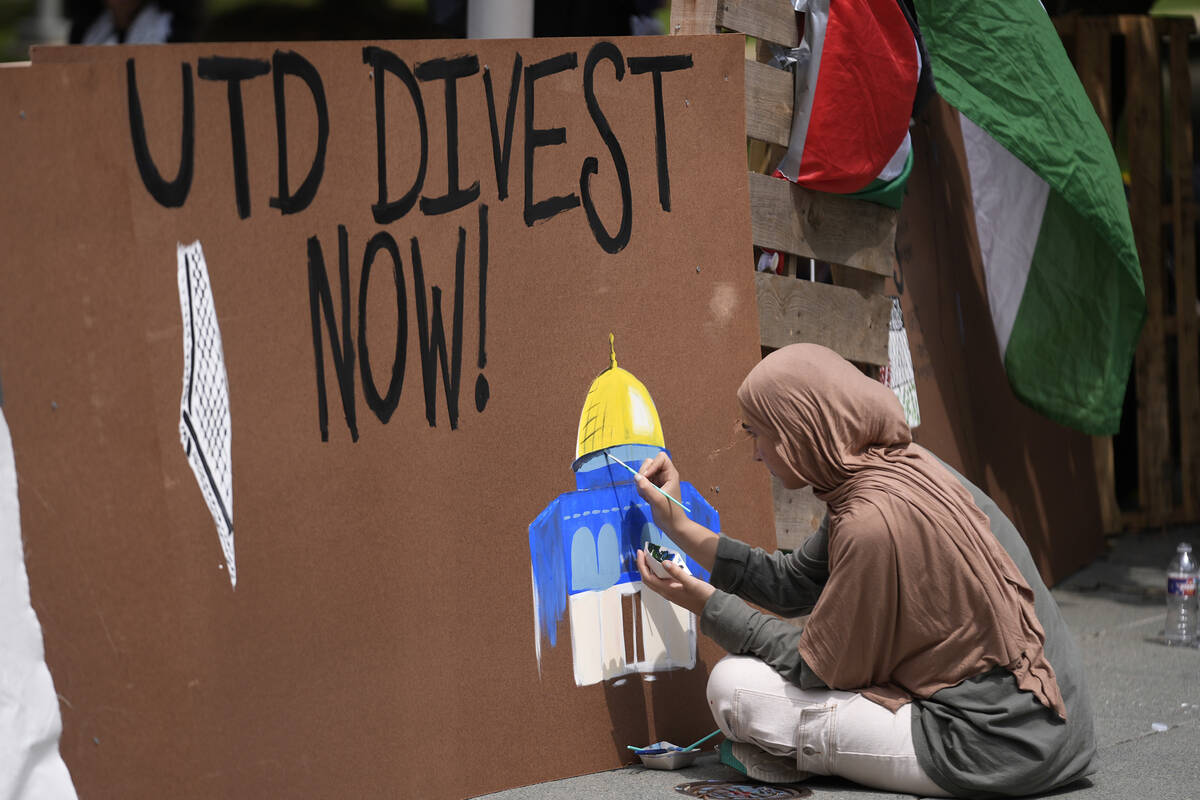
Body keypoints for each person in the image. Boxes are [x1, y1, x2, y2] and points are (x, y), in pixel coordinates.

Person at [633, 343, 1096, 797]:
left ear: (796, 433)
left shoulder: (869, 521)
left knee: (733, 689)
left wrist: (706, 605)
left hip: (991, 747)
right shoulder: (895, 467)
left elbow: (815, 666)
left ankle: (800, 754)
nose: (756, 452)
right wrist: (678, 524)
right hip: (1056, 731)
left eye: (756, 433)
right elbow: (793, 583)